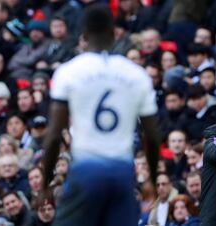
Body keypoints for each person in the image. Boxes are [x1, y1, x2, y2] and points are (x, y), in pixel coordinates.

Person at [41, 4, 160, 226]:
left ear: (83, 35)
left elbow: (55, 134)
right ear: (114, 33)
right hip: (122, 172)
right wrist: (152, 180)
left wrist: (44, 184)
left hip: (85, 169)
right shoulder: (136, 74)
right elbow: (152, 136)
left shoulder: (68, 71)